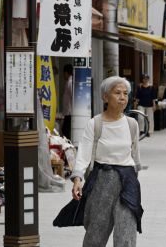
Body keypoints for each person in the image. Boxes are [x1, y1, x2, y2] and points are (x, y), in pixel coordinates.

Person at [71, 76, 143, 247]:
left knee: (126, 234)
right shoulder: (95, 124)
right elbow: (84, 154)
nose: (122, 97)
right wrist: (77, 179)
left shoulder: (132, 124)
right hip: (102, 180)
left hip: (127, 182)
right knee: (96, 233)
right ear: (105, 97)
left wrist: (134, 179)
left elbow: (136, 157)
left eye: (125, 93)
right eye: (117, 92)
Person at [61, 64, 73, 139]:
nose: (63, 75)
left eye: (64, 73)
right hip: (68, 112)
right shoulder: (68, 82)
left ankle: (68, 146)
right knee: (65, 130)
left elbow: (72, 96)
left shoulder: (70, 83)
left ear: (66, 73)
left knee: (65, 130)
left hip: (69, 112)